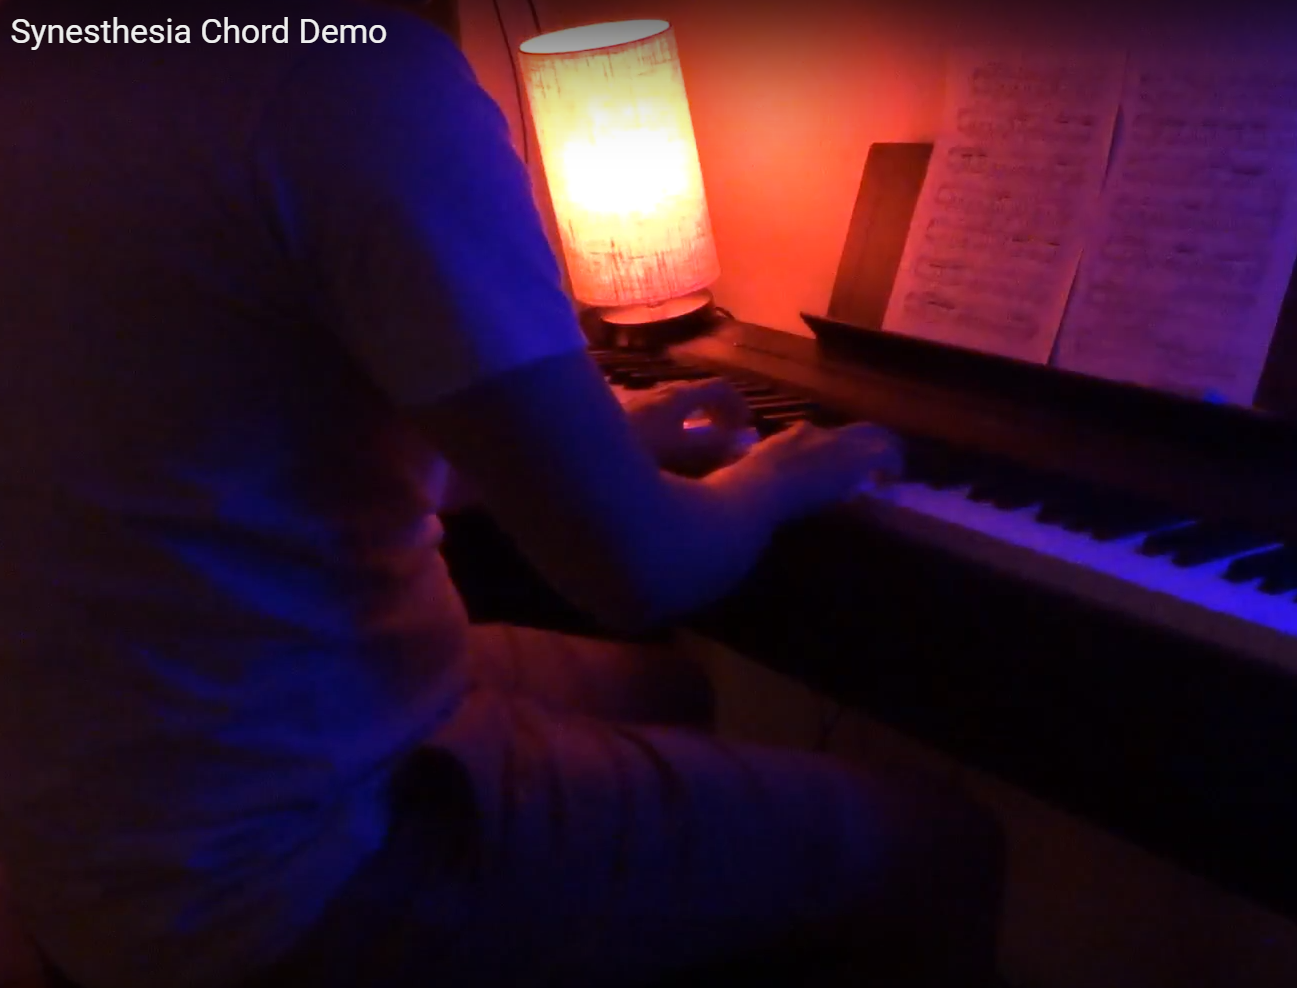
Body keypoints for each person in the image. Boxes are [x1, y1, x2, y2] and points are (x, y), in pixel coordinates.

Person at [0, 1, 1005, 986]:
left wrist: (582, 441)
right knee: (934, 846)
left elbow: (238, 452)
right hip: (288, 862)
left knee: (666, 692)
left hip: (85, 824)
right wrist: (779, 475)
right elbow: (645, 569)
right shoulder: (346, 74)